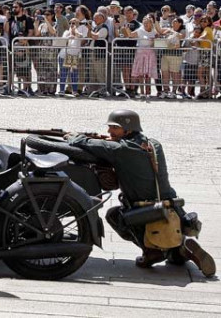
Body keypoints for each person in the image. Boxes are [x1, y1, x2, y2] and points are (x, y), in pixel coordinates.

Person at [66, 110, 215, 277]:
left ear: (128, 130)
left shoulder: (122, 148)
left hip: (145, 209)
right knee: (173, 253)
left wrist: (73, 136)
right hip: (171, 204)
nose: (109, 132)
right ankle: (182, 249)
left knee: (114, 215)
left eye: (114, 128)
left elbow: (86, 143)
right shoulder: (153, 144)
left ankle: (151, 252)